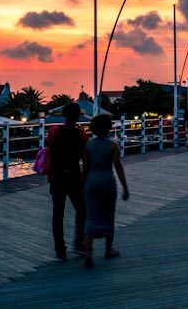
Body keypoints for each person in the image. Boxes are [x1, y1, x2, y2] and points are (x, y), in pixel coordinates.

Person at [83, 114, 129, 268]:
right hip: (107, 182)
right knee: (109, 216)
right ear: (109, 128)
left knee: (90, 217)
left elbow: (86, 167)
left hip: (91, 181)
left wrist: (85, 184)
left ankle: (88, 253)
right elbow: (118, 166)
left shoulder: (88, 145)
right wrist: (125, 187)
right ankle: (108, 250)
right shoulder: (112, 145)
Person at [48, 102, 87, 262]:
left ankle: (60, 250)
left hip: (57, 176)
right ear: (78, 116)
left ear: (64, 114)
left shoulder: (53, 131)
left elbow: (50, 151)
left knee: (58, 214)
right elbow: (84, 158)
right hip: (74, 176)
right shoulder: (82, 135)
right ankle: (78, 244)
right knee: (82, 210)